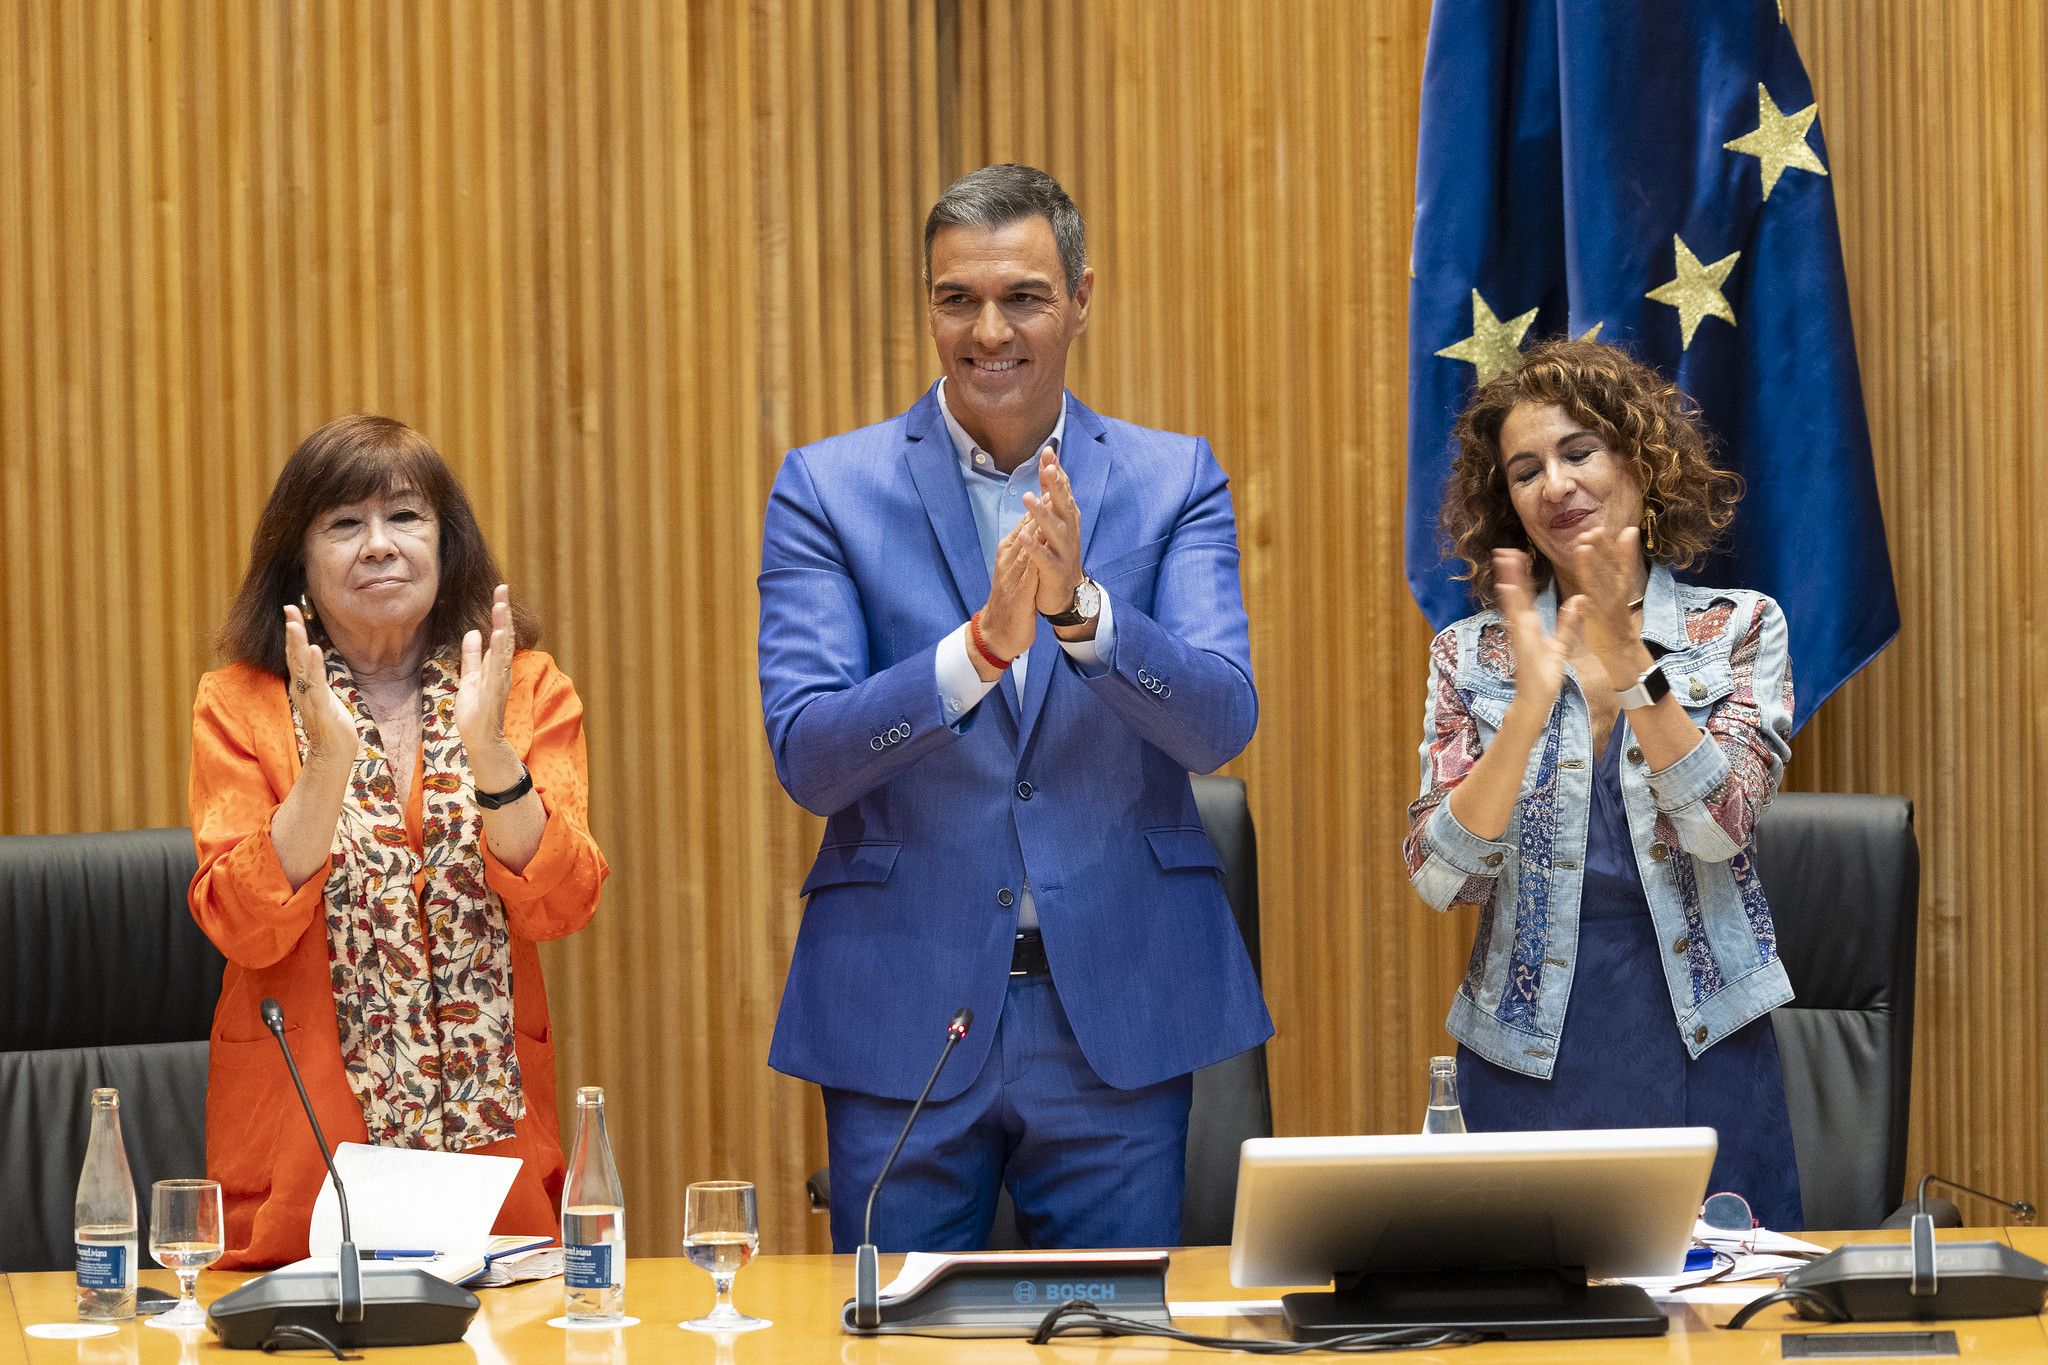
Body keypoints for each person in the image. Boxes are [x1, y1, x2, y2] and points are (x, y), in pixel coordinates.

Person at [758, 163, 1271, 1252]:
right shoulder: (825, 487)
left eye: (1023, 297)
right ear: (929, 305)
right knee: (893, 1337)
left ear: (1082, 297)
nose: (988, 330)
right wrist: (975, 653)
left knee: (1108, 1339)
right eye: (957, 299)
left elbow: (1219, 719)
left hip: (1117, 1010)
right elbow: (808, 755)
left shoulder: (1173, 477)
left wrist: (1083, 614)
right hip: (901, 999)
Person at [188, 415, 607, 1268]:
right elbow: (241, 923)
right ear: (297, 562)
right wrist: (325, 766)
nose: (379, 545)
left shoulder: (522, 687)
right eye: (345, 524)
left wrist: (490, 753)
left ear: (446, 545)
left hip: (495, 1169)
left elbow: (564, 901)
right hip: (304, 1168)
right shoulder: (241, 702)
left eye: (405, 518)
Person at [1404, 339, 1802, 1229]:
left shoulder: (1735, 627)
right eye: (1524, 469)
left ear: (1637, 461)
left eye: (1578, 451)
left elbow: (1718, 824)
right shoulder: (1470, 654)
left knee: (1720, 1324)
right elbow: (1441, 877)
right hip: (1525, 1060)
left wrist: (1631, 663)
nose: (1554, 485)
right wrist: (1528, 709)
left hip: (1706, 1045)